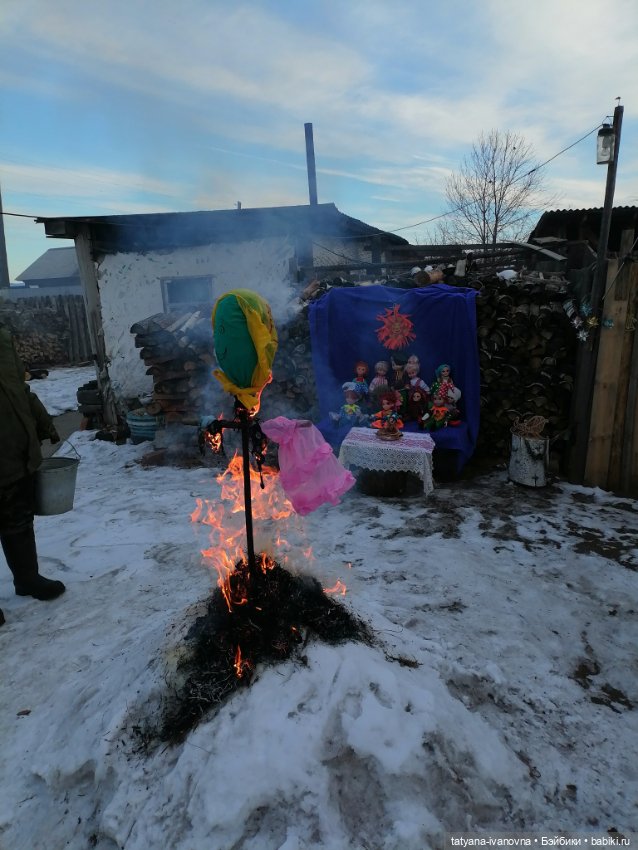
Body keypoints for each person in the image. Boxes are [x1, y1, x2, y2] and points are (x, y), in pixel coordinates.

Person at [0, 324, 66, 626]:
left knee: (18, 516)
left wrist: (41, 420)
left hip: (12, 444)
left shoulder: (1, 334)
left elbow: (18, 388)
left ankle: (27, 578)